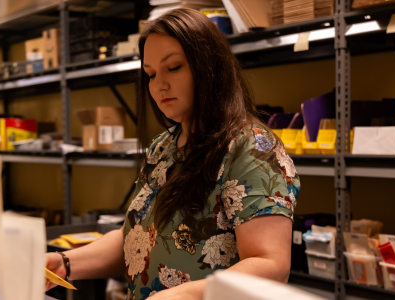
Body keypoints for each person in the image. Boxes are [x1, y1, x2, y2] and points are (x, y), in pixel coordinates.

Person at [45, 8, 301, 300]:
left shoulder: (252, 148)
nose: (158, 85)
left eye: (174, 67)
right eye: (150, 74)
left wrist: (188, 295)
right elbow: (138, 236)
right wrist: (65, 263)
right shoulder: (163, 147)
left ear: (209, 67)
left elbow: (271, 265)